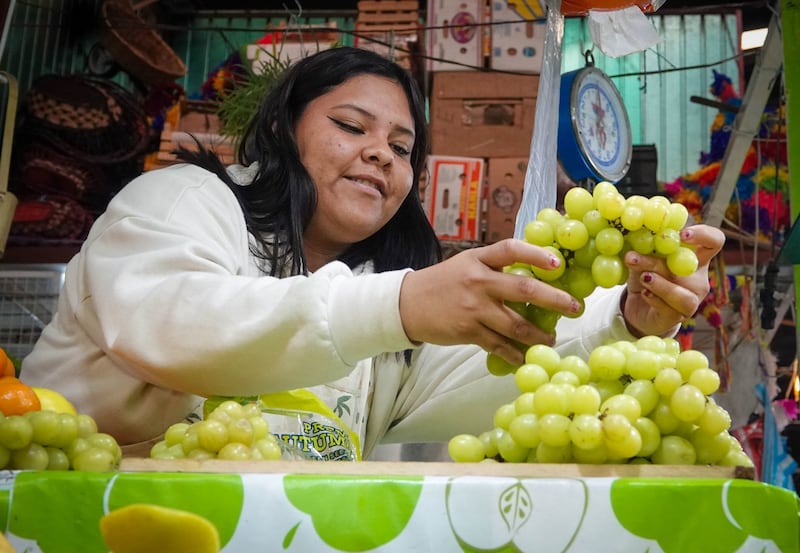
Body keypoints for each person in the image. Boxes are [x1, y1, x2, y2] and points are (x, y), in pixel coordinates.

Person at [21, 47, 724, 460]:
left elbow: (490, 380)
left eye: (400, 147)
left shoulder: (371, 298)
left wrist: (622, 322)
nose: (378, 155)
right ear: (283, 128)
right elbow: (173, 321)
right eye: (351, 126)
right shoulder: (183, 201)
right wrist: (402, 304)